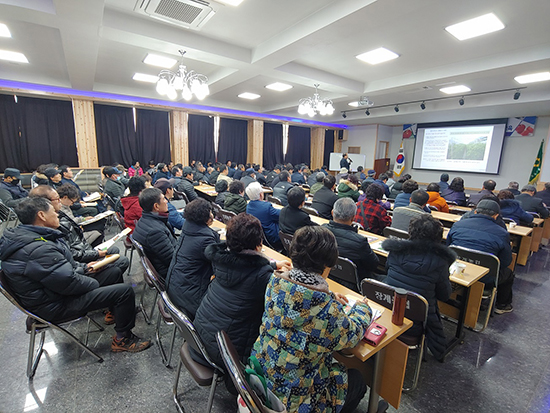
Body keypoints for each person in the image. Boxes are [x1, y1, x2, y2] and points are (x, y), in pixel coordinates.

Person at [0, 197, 151, 352]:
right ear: (42, 216)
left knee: (112, 272)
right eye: (53, 211)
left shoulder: (29, 237)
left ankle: (114, 312)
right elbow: (68, 282)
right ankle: (123, 339)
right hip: (52, 305)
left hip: (54, 293)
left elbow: (64, 266)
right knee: (124, 292)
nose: (57, 215)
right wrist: (92, 281)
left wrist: (86, 268)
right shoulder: (37, 248)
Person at [252, 226, 373, 413]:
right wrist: (363, 307)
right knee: (356, 379)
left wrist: (329, 294)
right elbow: (354, 333)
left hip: (262, 376)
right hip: (295, 399)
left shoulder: (275, 283)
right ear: (327, 266)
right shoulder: (325, 311)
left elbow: (298, 300)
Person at [192, 213, 291, 383]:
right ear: (259, 244)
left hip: (199, 337)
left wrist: (272, 265)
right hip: (224, 353)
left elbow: (242, 266)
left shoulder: (220, 260)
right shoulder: (261, 276)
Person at [383, 214, 454, 361]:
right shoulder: (440, 261)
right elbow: (444, 296)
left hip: (389, 309)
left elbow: (386, 269)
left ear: (410, 232)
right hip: (418, 322)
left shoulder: (396, 250)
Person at [447, 199, 515, 314]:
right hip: (486, 278)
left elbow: (448, 247)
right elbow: (505, 262)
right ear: (496, 216)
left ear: (475, 212)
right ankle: (502, 305)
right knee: (508, 273)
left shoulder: (458, 225)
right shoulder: (502, 233)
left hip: (456, 270)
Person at [165, 198, 220, 320]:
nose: (212, 215)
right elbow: (220, 268)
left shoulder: (188, 229)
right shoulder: (205, 239)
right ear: (205, 216)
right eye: (210, 212)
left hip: (176, 290)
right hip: (190, 299)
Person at [323, 198, 379, 289]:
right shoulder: (360, 241)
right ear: (353, 217)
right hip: (354, 285)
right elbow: (374, 265)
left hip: (328, 275)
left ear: (332, 213)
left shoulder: (322, 230)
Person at [133, 188, 176, 281]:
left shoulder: (144, 220)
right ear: (156, 206)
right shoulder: (155, 232)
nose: (166, 201)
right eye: (164, 199)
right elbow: (173, 260)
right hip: (170, 272)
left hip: (162, 263)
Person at [246, 182, 281, 249]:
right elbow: (281, 214)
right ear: (261, 194)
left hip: (259, 236)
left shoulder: (248, 206)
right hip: (272, 238)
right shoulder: (266, 207)